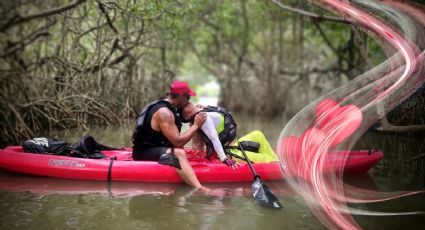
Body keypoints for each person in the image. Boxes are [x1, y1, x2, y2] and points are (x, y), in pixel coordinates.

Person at [132, 81, 208, 191]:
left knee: (180, 151)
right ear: (181, 96)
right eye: (187, 97)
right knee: (179, 153)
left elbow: (185, 116)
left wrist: (197, 109)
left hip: (153, 147)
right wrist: (196, 125)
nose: (188, 100)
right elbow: (178, 142)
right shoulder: (165, 113)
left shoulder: (169, 105)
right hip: (143, 152)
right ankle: (199, 188)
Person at [182, 102, 278, 164]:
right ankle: (278, 165)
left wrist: (207, 106)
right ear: (188, 115)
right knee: (266, 158)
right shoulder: (204, 120)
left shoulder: (206, 111)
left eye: (188, 101)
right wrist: (224, 159)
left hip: (235, 145)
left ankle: (277, 160)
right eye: (187, 104)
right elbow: (214, 139)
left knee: (258, 134)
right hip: (230, 153)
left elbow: (221, 113)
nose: (189, 102)